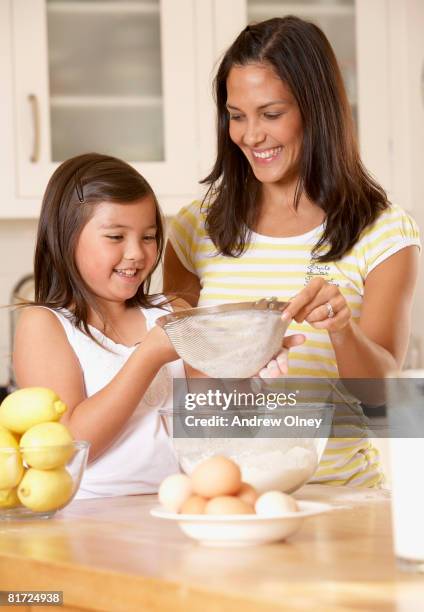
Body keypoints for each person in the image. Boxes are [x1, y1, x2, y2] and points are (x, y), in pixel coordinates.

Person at [164, 17, 421, 487]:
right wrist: (235, 366)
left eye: (271, 113)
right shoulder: (193, 229)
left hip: (343, 503)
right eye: (236, 115)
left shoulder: (383, 231)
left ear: (315, 109)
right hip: (226, 497)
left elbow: (380, 394)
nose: (250, 135)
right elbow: (186, 386)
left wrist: (342, 329)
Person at [13, 153, 291, 499]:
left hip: (181, 509)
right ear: (65, 237)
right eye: (116, 237)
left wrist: (249, 374)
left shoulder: (171, 311)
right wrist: (148, 356)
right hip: (92, 520)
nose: (137, 253)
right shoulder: (45, 325)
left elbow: (211, 426)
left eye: (148, 236)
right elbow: (67, 447)